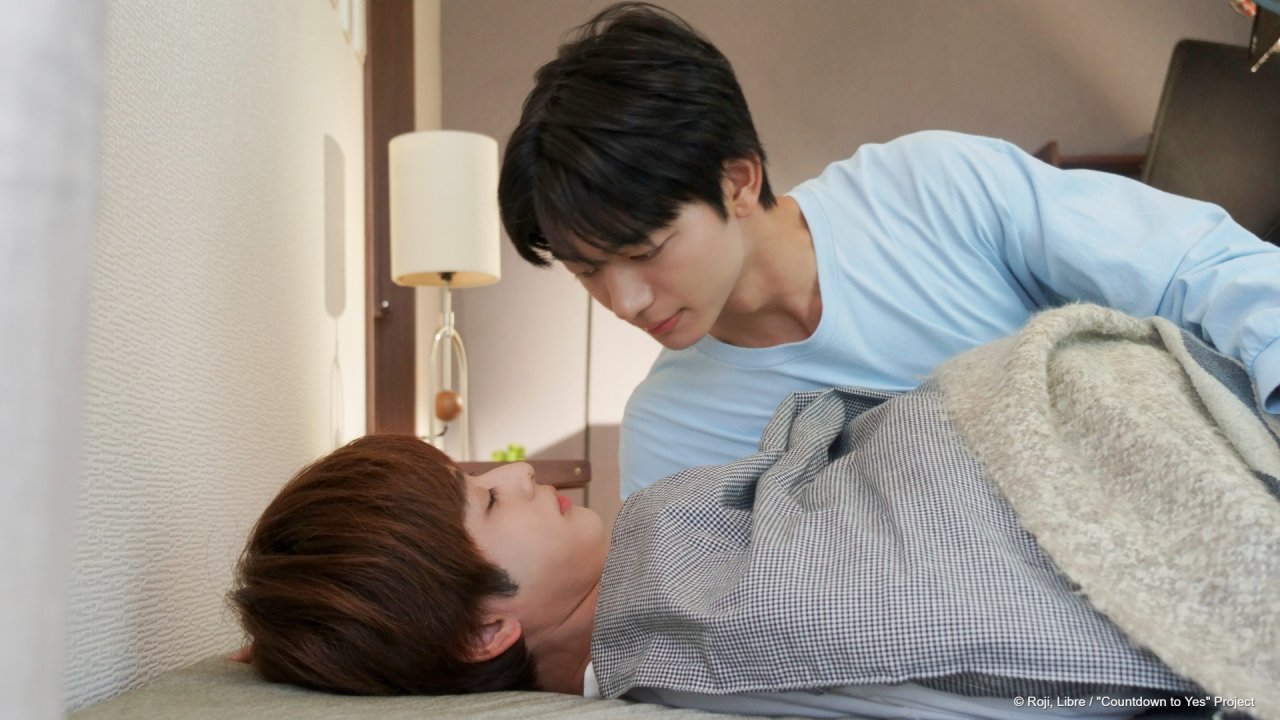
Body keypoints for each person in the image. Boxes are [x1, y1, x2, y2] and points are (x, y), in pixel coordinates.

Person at [497, 2, 1280, 497]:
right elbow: (709, 630)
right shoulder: (672, 432)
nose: (624, 301)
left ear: (737, 181)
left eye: (646, 250)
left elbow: (1198, 266)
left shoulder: (930, 187)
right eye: (586, 270)